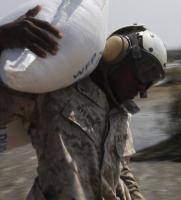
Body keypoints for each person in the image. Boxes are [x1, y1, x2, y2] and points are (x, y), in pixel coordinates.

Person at [0, 6, 167, 200]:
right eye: (144, 74)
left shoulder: (122, 116)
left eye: (151, 82)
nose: (143, 89)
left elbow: (122, 171)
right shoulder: (53, 91)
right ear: (116, 53)